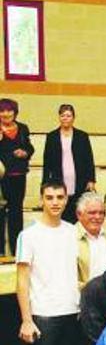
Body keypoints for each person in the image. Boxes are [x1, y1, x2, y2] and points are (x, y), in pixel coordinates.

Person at [16, 180, 85, 345]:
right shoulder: (29, 235)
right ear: (41, 199)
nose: (55, 202)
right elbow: (22, 280)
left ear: (67, 199)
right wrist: (26, 318)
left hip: (71, 312)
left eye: (60, 197)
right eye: (50, 197)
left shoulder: (71, 232)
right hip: (43, 315)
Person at [41, 104, 96, 223]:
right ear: (59, 117)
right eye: (63, 115)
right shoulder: (52, 136)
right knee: (62, 209)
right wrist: (45, 183)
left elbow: (89, 159)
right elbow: (47, 162)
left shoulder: (82, 136)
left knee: (78, 210)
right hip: (59, 178)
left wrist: (91, 180)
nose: (65, 118)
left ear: (73, 118)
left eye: (68, 115)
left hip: (78, 179)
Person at [0, 98, 35, 256]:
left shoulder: (23, 128)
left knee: (16, 213)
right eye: (2, 111)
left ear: (15, 112)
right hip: (2, 176)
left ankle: (16, 251)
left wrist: (25, 152)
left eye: (9, 110)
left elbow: (29, 146)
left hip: (19, 176)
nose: (6, 114)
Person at [75, 191, 106, 288]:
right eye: (92, 213)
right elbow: (65, 278)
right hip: (82, 299)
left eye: (101, 213)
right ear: (79, 214)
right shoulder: (69, 238)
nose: (97, 217)